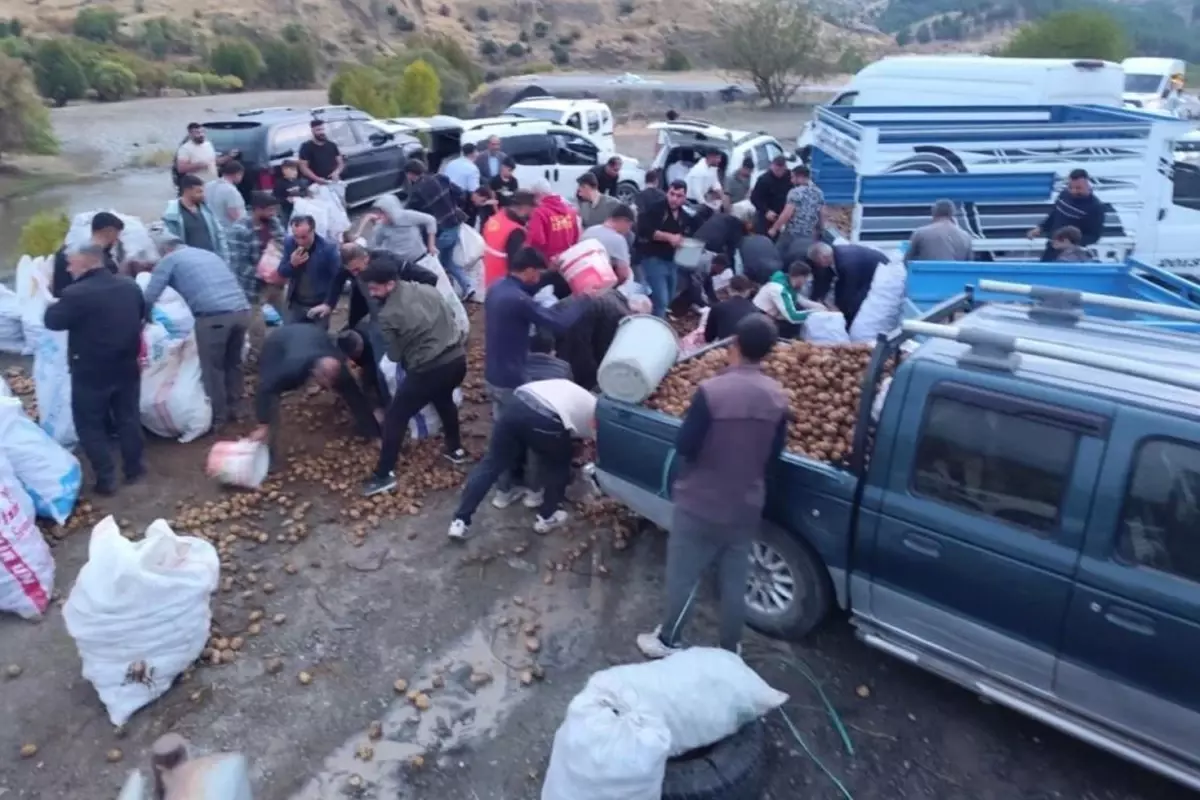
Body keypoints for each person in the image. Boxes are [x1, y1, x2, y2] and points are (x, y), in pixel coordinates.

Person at [638, 314, 789, 658]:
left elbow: (686, 444)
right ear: (767, 353)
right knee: (736, 578)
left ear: (734, 345)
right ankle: (730, 647)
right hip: (747, 503)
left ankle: (669, 640)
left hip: (702, 501)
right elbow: (774, 455)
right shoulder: (778, 397)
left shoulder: (712, 391)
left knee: (685, 574)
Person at [483, 247, 589, 506]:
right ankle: (533, 492)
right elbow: (558, 323)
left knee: (503, 436)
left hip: (493, 375)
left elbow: (528, 294)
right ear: (528, 270)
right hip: (513, 380)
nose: (539, 278)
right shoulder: (519, 301)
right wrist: (584, 300)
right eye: (538, 273)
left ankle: (504, 491)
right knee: (531, 435)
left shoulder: (498, 289)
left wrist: (552, 274)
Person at [360, 259, 469, 496]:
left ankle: (384, 474)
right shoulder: (426, 288)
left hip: (429, 370)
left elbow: (396, 355)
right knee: (444, 399)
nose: (371, 292)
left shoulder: (388, 314)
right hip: (458, 360)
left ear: (390, 284)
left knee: (396, 417)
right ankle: (456, 450)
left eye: (375, 288)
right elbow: (449, 314)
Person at [43, 244, 146, 495]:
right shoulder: (129, 286)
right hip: (126, 366)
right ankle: (134, 469)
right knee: (128, 418)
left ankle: (106, 478)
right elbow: (143, 314)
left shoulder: (75, 294)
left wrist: (49, 296)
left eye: (71, 263)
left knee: (90, 424)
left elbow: (52, 321)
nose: (68, 268)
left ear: (86, 263)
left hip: (90, 371)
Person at [448, 377, 597, 540]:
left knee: (491, 464)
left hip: (515, 405)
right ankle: (547, 516)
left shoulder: (578, 394)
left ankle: (460, 521)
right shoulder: (596, 414)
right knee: (558, 464)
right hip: (546, 417)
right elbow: (594, 444)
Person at [144, 233, 252, 427]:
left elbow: (150, 295)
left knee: (213, 368)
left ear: (165, 250)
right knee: (233, 362)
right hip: (242, 311)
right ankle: (238, 408)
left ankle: (219, 418)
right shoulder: (208, 255)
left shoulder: (170, 260)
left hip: (213, 317)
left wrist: (144, 319)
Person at [248, 325, 377, 468]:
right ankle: (268, 457)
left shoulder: (336, 365)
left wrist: (375, 434)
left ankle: (368, 431)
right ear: (316, 373)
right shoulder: (290, 369)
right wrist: (263, 423)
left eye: (333, 380)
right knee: (271, 398)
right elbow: (265, 388)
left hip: (312, 334)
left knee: (346, 386)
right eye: (327, 381)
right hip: (277, 343)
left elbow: (355, 396)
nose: (330, 386)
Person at [311, 244, 439, 331]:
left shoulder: (389, 263)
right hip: (377, 321)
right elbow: (338, 280)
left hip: (403, 320)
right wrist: (328, 304)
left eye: (357, 270)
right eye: (351, 271)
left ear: (366, 258)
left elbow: (429, 278)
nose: (355, 274)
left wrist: (415, 303)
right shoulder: (351, 265)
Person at [404, 159, 474, 299]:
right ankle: (468, 284)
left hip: (440, 232)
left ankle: (444, 294)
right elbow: (460, 193)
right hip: (455, 225)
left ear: (410, 174)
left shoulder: (417, 192)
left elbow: (409, 215)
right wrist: (453, 207)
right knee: (447, 261)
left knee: (434, 265)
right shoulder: (440, 178)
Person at [553, 288, 631, 390]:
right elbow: (604, 349)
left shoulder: (615, 297)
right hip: (581, 323)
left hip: (567, 311)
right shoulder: (618, 312)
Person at [635, 179, 692, 318]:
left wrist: (683, 242)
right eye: (672, 194)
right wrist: (668, 237)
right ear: (667, 192)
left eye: (679, 196)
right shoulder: (656, 209)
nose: (674, 199)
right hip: (653, 258)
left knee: (669, 296)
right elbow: (644, 229)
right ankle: (656, 328)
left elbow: (689, 234)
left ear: (684, 198)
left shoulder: (685, 216)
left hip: (673, 261)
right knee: (661, 300)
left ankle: (650, 318)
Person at [1028, 168, 1106, 262]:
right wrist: (1040, 228)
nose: (1073, 191)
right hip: (1052, 248)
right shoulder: (1064, 195)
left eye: (1078, 188)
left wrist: (1070, 244)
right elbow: (1054, 215)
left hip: (1072, 255)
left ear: (1087, 184)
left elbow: (1094, 236)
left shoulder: (1095, 207)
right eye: (1070, 187)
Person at [805, 242, 889, 328]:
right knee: (839, 291)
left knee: (857, 301)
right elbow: (825, 279)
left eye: (817, 263)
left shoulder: (846, 263)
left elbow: (850, 289)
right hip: (861, 271)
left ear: (824, 258)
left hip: (878, 272)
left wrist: (839, 309)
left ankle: (849, 325)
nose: (818, 266)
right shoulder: (833, 255)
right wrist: (817, 299)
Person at [278, 214, 342, 327]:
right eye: (296, 237)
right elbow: (282, 272)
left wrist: (329, 304)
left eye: (304, 237)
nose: (300, 242)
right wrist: (292, 264)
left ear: (313, 231)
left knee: (317, 339)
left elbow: (338, 279)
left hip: (319, 304)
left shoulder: (328, 249)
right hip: (296, 303)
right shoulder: (289, 243)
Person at [226, 192, 286, 307]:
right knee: (256, 323)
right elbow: (239, 265)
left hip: (277, 282)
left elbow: (283, 244)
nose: (273, 214)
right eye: (270, 210)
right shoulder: (239, 230)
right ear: (257, 210)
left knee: (290, 316)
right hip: (252, 286)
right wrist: (265, 275)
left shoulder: (274, 223)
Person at [52, 212, 123, 298]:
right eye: (116, 235)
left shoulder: (65, 250)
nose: (117, 240)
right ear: (109, 232)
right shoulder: (103, 263)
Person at [163, 175, 230, 264]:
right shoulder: (172, 215)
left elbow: (219, 235)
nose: (203, 195)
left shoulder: (207, 210)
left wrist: (225, 259)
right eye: (199, 192)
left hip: (211, 260)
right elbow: (171, 244)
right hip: (188, 263)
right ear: (187, 191)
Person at [753, 261, 823, 339]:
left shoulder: (787, 283)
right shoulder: (780, 289)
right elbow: (793, 317)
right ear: (800, 277)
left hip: (768, 317)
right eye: (805, 279)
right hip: (760, 322)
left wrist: (819, 307)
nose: (805, 283)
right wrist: (814, 313)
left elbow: (801, 300)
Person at [482, 189, 535, 290]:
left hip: (490, 281)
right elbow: (518, 267)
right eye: (532, 208)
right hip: (506, 285)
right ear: (524, 207)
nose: (533, 212)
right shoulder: (515, 232)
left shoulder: (495, 219)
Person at [770, 165, 825, 261]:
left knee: (777, 255)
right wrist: (821, 230)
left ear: (800, 177)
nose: (791, 180)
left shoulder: (795, 192)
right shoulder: (819, 193)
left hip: (792, 233)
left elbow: (787, 214)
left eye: (792, 177)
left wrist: (774, 228)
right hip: (809, 235)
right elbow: (822, 214)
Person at [370, 195, 437, 264]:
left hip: (421, 258)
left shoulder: (407, 216)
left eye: (383, 213)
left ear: (391, 210)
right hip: (402, 265)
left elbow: (430, 220)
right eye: (378, 213)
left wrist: (431, 245)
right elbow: (375, 245)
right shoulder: (381, 227)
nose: (379, 216)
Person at [526, 179, 581, 263]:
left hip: (547, 263)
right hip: (567, 260)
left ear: (537, 195)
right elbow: (576, 236)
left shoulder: (539, 213)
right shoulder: (570, 211)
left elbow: (536, 240)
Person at [905, 199, 973, 264]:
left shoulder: (920, 233)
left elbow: (907, 261)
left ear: (933, 212)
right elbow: (969, 264)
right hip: (957, 275)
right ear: (953, 214)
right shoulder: (966, 236)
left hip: (928, 275)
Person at [581, 204, 635, 283]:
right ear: (624, 221)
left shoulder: (589, 230)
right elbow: (624, 274)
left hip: (580, 278)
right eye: (630, 225)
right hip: (599, 285)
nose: (628, 230)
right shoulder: (618, 239)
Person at [704, 275, 759, 343]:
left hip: (725, 349)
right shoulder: (755, 310)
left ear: (729, 289)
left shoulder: (718, 307)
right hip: (747, 349)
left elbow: (708, 337)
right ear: (748, 291)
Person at [750, 155, 792, 236]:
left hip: (783, 214)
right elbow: (754, 198)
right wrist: (766, 211)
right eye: (776, 170)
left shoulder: (789, 177)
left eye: (781, 170)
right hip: (766, 215)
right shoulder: (763, 179)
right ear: (772, 166)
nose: (779, 172)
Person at [297, 120, 344, 186]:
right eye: (318, 130)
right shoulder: (306, 147)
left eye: (323, 129)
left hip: (334, 182)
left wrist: (336, 173)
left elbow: (341, 163)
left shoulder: (332, 145)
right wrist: (316, 179)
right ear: (312, 131)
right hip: (316, 184)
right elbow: (303, 167)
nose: (322, 132)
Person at [205, 160, 247, 232]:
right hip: (228, 230)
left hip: (211, 227)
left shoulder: (208, 185)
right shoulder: (231, 191)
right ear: (237, 174)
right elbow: (235, 215)